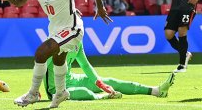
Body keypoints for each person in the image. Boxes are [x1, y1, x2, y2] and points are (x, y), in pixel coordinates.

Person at [0, 0, 112, 108]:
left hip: (73, 29)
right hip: (55, 29)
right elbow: (20, 1)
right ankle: (61, 92)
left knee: (41, 53)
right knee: (58, 60)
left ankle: (33, 93)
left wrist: (100, 7)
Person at [44, 42, 176, 100]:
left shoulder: (78, 43)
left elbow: (85, 65)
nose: (79, 34)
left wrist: (100, 84)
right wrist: (35, 91)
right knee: (84, 92)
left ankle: (156, 91)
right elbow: (41, 68)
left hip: (73, 79)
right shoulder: (53, 46)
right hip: (57, 90)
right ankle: (104, 96)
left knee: (111, 82)